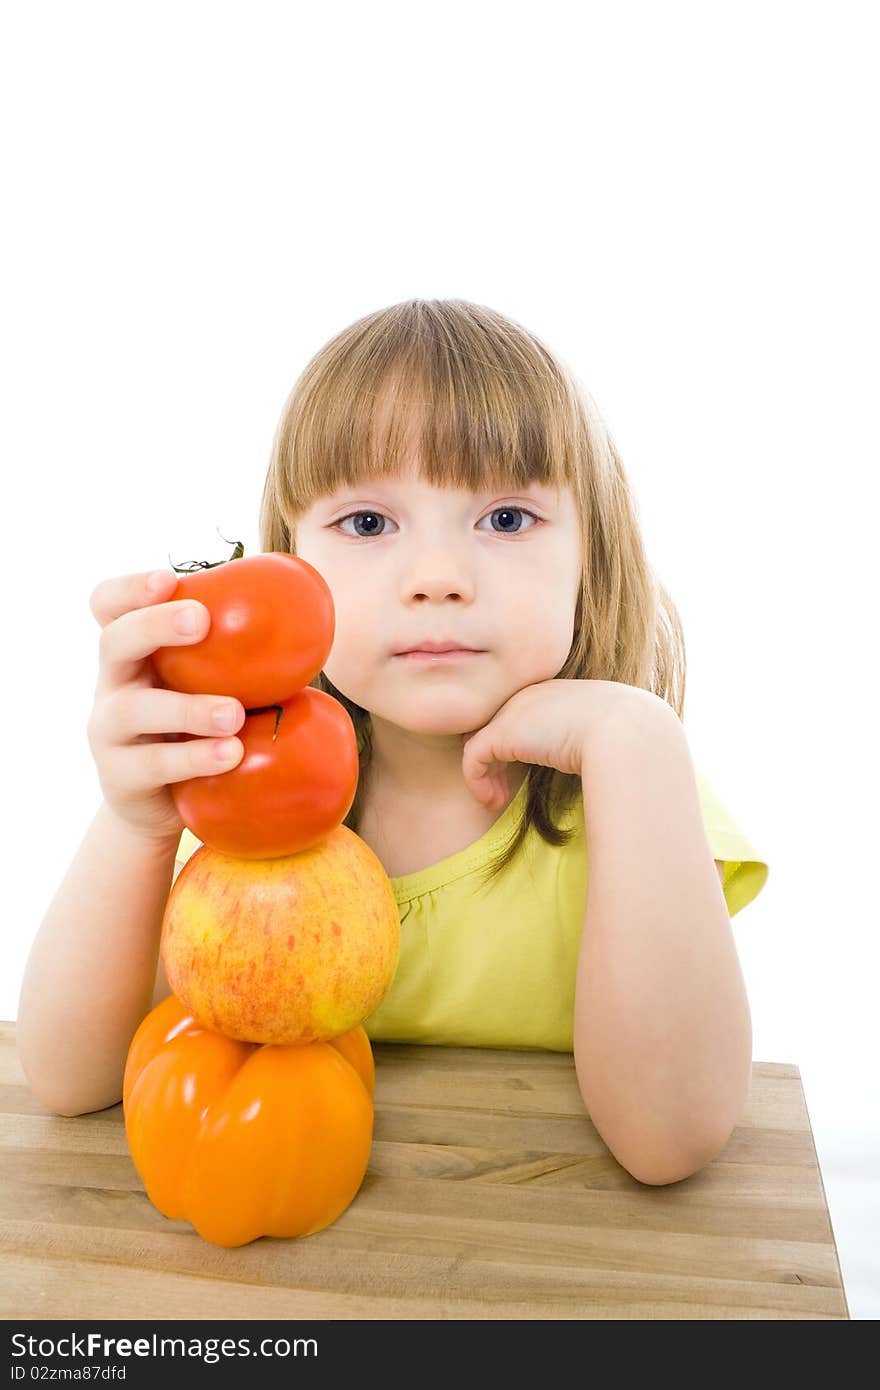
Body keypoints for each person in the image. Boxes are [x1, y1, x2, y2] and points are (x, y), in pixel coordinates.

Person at [17, 299, 768, 1183]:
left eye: (508, 518)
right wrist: (137, 823)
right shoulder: (247, 799)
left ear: (591, 562)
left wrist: (640, 741)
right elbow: (72, 1083)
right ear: (288, 567)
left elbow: (668, 1140)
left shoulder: (636, 791)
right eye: (369, 524)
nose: (439, 580)